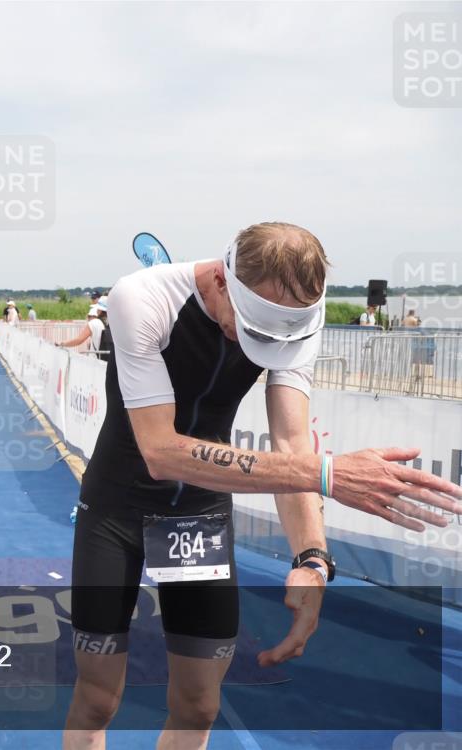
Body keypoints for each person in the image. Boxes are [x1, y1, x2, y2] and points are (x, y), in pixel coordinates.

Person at [64, 222, 462, 750]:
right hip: (117, 508)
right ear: (223, 281)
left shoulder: (302, 316)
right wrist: (329, 473)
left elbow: (292, 444)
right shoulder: (142, 297)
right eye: (254, 329)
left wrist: (312, 560)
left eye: (279, 337)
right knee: (98, 698)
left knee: (199, 707)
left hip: (196, 518)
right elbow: (160, 452)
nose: (260, 345)